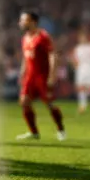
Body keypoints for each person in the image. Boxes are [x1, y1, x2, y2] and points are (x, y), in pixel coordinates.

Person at [18, 10, 67, 141]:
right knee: (24, 102)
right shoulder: (25, 38)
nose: (21, 23)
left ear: (33, 22)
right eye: (21, 20)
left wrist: (52, 75)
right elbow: (25, 58)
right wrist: (22, 73)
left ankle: (61, 129)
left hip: (42, 76)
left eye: (24, 20)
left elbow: (52, 55)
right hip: (30, 77)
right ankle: (34, 133)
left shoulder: (43, 36)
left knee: (49, 104)